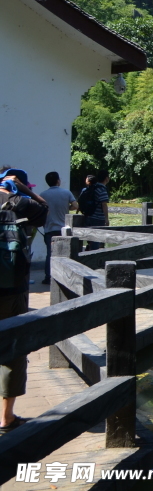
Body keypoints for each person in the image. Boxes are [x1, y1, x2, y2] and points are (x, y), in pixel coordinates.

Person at [0, 170, 47, 434]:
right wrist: (22, 189)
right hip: (11, 289)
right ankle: (6, 418)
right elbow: (44, 209)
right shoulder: (19, 203)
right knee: (12, 349)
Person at [39, 172, 77, 285]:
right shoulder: (66, 192)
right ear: (58, 181)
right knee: (65, 254)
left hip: (49, 229)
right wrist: (67, 208)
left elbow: (39, 210)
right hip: (63, 229)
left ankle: (48, 277)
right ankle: (65, 277)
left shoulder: (42, 195)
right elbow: (76, 205)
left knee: (50, 254)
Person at [78, 171, 110, 251]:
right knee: (96, 240)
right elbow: (104, 204)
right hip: (98, 218)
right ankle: (93, 255)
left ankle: (87, 252)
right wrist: (106, 219)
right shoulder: (101, 189)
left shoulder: (91, 187)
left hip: (88, 216)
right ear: (106, 178)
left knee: (90, 239)